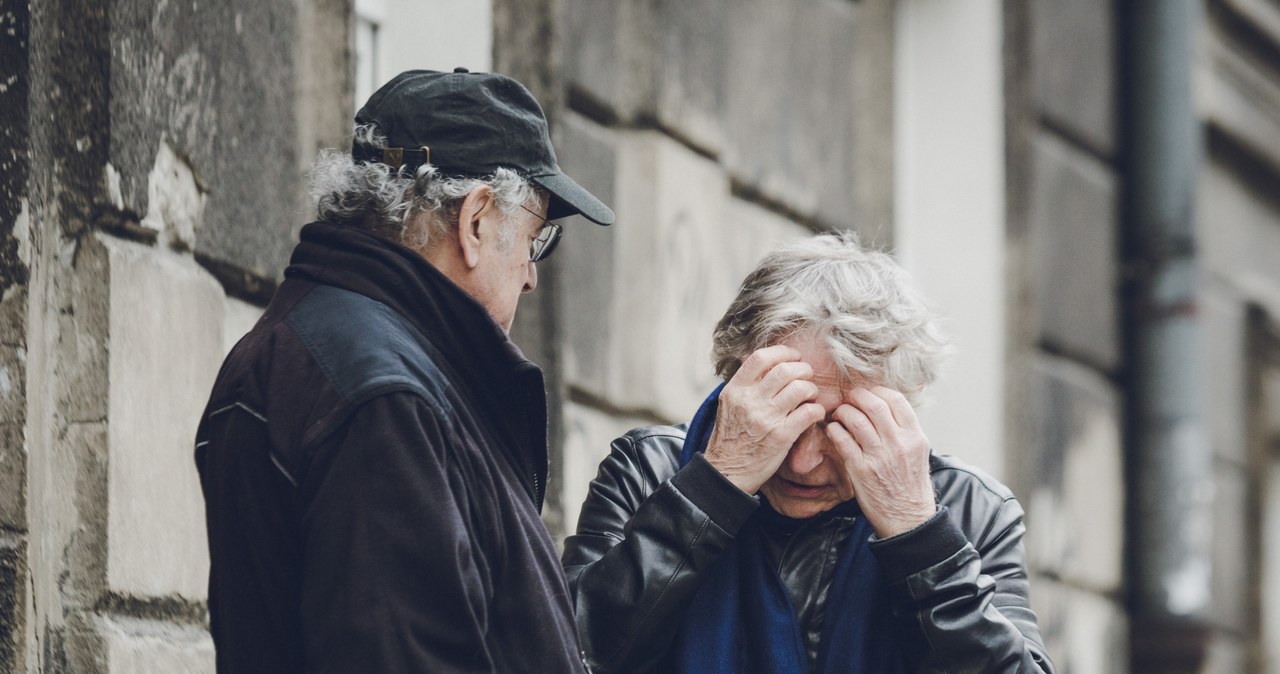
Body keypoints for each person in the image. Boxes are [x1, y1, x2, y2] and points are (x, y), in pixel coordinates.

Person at [195, 69, 613, 673]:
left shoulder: (318, 350)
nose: (531, 273)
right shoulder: (387, 399)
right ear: (476, 222)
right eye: (534, 238)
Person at [563, 233, 1056, 673]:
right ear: (738, 383)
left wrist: (916, 535)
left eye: (841, 426)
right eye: (786, 416)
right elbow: (574, 653)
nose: (804, 462)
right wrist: (713, 487)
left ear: (900, 406)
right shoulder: (652, 470)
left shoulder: (969, 507)